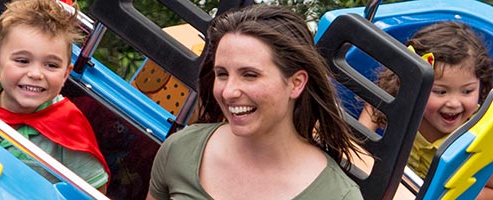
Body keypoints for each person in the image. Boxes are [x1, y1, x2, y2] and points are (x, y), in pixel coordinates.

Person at [146, 5, 364, 199]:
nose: (229, 92)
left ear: (296, 83)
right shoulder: (181, 149)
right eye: (222, 74)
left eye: (250, 75)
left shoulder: (337, 195)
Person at [355, 21, 493, 200]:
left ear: (481, 85)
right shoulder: (398, 102)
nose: (454, 103)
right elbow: (359, 136)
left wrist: (453, 195)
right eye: (441, 91)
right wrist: (360, 149)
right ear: (414, 84)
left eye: (467, 91)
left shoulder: (480, 136)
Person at [0, 0, 108, 189]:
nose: (35, 74)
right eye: (23, 60)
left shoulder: (70, 130)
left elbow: (95, 192)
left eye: (51, 65)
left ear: (65, 74)